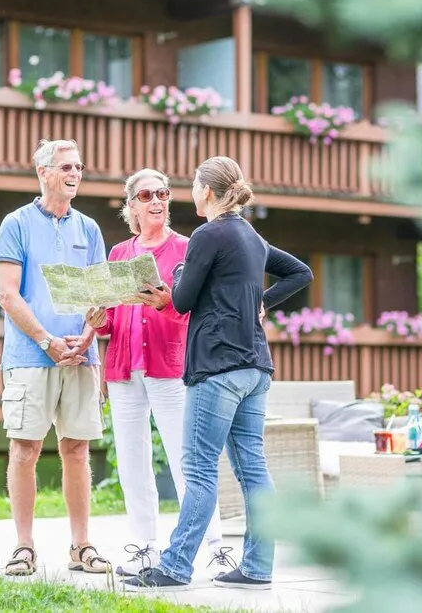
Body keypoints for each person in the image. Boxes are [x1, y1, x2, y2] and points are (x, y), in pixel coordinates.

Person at [123, 156, 313, 592]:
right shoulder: (250, 235)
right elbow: (300, 273)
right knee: (253, 468)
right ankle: (257, 568)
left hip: (217, 368)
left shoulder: (207, 234)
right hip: (255, 366)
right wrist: (261, 301)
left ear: (206, 191)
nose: (190, 191)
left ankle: (174, 567)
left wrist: (179, 274)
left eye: (192, 184)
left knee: (199, 467)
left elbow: (183, 299)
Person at [84, 168, 232, 580]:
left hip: (170, 367)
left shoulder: (187, 247)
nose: (156, 201)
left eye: (163, 194)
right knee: (133, 465)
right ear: (131, 206)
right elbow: (112, 320)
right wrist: (98, 321)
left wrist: (166, 303)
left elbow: (200, 312)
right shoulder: (119, 254)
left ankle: (215, 548)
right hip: (123, 369)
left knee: (189, 463)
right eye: (146, 195)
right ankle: (145, 547)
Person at [0, 138, 112, 577]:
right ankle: (24, 547)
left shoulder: (90, 229)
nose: (74, 174)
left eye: (78, 167)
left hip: (81, 356)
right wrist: (47, 342)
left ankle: (82, 546)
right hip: (30, 356)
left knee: (77, 450)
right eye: (66, 167)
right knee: (25, 449)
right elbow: (8, 295)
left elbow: (100, 297)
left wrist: (87, 336)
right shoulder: (16, 223)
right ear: (43, 172)